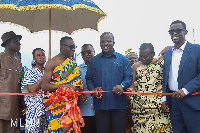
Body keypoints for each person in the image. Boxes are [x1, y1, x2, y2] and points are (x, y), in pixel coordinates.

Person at [85, 32, 133, 133]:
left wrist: (122, 85)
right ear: (100, 44)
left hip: (119, 105)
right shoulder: (94, 61)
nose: (105, 44)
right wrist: (93, 90)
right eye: (103, 41)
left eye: (108, 41)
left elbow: (129, 77)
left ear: (113, 43)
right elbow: (88, 79)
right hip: (101, 105)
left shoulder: (123, 59)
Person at [162, 20, 200, 133]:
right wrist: (165, 98)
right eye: (171, 31)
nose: (174, 33)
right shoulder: (168, 53)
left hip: (192, 101)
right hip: (174, 102)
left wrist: (185, 90)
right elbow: (166, 77)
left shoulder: (196, 49)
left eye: (178, 30)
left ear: (186, 32)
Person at [41, 36, 84, 132]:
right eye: (71, 46)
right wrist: (64, 87)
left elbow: (77, 84)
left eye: (74, 47)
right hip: (56, 105)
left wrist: (75, 90)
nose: (73, 49)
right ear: (62, 47)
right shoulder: (51, 62)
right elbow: (44, 86)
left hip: (71, 105)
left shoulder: (73, 63)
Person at [127, 43, 172, 133]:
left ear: (153, 54)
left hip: (158, 107)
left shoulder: (161, 64)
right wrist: (130, 91)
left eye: (146, 56)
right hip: (141, 108)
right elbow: (132, 86)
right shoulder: (135, 66)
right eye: (141, 56)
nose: (143, 59)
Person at [21, 48, 48, 132]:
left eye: (43, 55)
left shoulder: (48, 72)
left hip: (47, 111)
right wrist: (42, 79)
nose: (41, 57)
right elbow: (32, 90)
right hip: (34, 112)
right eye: (38, 55)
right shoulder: (30, 72)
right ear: (34, 58)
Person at [0, 31, 22, 133]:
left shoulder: (18, 62)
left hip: (14, 108)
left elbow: (19, 84)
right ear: (7, 44)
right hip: (1, 108)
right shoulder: (1, 58)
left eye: (19, 41)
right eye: (15, 41)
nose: (19, 43)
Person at [78, 44, 97, 133]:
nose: (86, 54)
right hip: (84, 110)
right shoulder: (77, 70)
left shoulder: (100, 68)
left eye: (89, 52)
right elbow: (74, 87)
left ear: (94, 52)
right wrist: (79, 95)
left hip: (100, 110)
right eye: (83, 53)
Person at [126, 52, 138, 133]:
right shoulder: (124, 71)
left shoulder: (143, 71)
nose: (133, 60)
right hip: (126, 103)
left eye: (135, 58)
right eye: (130, 58)